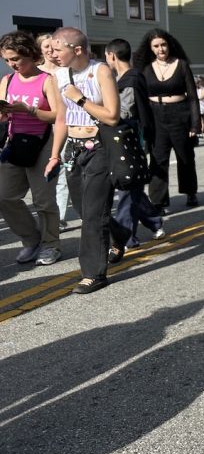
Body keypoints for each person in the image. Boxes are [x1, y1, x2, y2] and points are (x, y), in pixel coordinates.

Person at [45, 27, 121, 294]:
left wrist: (81, 98)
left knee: (91, 214)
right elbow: (62, 119)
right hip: (73, 150)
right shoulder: (60, 75)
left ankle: (93, 273)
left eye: (57, 48)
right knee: (85, 208)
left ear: (76, 50)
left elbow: (112, 115)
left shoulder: (99, 71)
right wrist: (55, 154)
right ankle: (118, 234)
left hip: (99, 147)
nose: (52, 54)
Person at [0, 31, 62, 265]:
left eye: (16, 58)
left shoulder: (47, 80)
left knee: (43, 201)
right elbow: (3, 114)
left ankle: (50, 245)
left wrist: (29, 110)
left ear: (30, 54)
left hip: (42, 144)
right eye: (7, 60)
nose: (12, 64)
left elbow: (57, 115)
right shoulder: (7, 80)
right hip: (14, 143)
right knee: (4, 197)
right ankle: (31, 239)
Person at [103, 39, 165, 262]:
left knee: (128, 188)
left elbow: (126, 112)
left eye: (106, 57)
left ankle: (126, 238)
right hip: (121, 138)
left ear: (112, 56)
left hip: (130, 138)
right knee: (132, 187)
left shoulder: (130, 79)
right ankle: (154, 220)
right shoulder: (121, 78)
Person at [133, 29, 201, 211]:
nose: (161, 49)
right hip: (156, 116)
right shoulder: (145, 69)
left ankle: (190, 191)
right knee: (157, 160)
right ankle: (159, 201)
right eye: (156, 46)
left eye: (163, 45)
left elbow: (193, 97)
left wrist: (195, 123)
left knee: (185, 157)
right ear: (150, 48)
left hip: (180, 114)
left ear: (169, 45)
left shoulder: (182, 65)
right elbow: (139, 97)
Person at [36, 32, 71, 231]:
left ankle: (60, 216)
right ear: (40, 49)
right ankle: (46, 211)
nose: (50, 50)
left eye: (53, 46)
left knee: (62, 169)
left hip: (62, 125)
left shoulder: (66, 70)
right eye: (46, 46)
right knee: (41, 172)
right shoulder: (37, 72)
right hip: (40, 127)